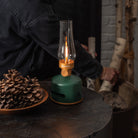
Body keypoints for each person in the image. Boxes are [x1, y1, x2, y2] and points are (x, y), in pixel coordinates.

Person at [0, 0, 118, 84]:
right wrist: (101, 71)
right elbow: (57, 41)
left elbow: (28, 39)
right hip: (14, 81)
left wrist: (71, 49)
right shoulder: (30, 6)